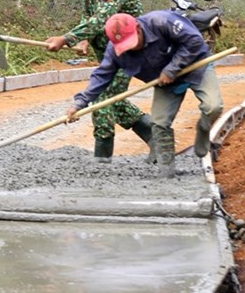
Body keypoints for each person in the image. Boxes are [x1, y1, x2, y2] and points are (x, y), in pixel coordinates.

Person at [66, 11, 223, 177]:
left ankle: (203, 131)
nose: (131, 48)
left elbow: (195, 41)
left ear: (139, 28)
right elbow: (101, 76)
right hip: (165, 82)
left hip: (196, 66)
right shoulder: (115, 50)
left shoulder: (162, 22)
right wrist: (79, 103)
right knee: (160, 123)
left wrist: (172, 68)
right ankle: (167, 173)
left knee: (213, 107)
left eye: (132, 42)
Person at [45, 0, 152, 162]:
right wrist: (84, 40)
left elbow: (103, 18)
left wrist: (67, 38)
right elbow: (88, 13)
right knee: (112, 100)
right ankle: (155, 136)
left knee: (103, 101)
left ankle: (102, 161)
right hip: (106, 51)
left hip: (129, 50)